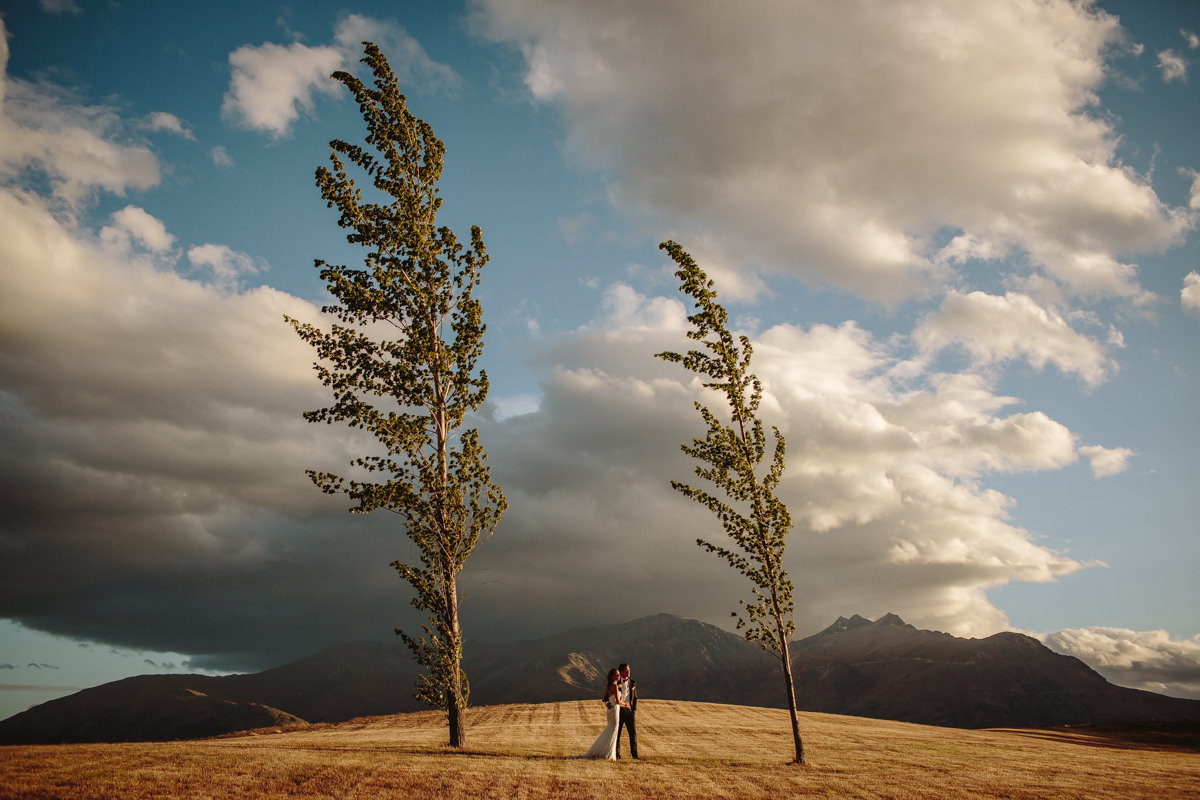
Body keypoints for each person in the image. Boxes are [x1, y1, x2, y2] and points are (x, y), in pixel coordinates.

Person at [581, 667, 627, 760]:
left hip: (610, 710)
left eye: (619, 675)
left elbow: (603, 698)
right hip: (614, 710)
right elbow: (618, 701)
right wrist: (625, 704)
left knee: (610, 730)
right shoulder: (614, 686)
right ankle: (608, 753)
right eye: (617, 675)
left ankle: (605, 752)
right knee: (613, 730)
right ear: (612, 676)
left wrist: (607, 703)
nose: (618, 676)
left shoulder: (610, 686)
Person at [615, 663, 638, 759]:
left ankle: (634, 754)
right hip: (619, 710)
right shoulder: (616, 682)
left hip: (629, 711)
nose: (629, 672)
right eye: (627, 670)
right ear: (622, 671)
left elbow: (635, 696)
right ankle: (617, 753)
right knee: (617, 733)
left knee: (632, 733)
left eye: (629, 670)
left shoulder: (632, 683)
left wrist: (634, 710)